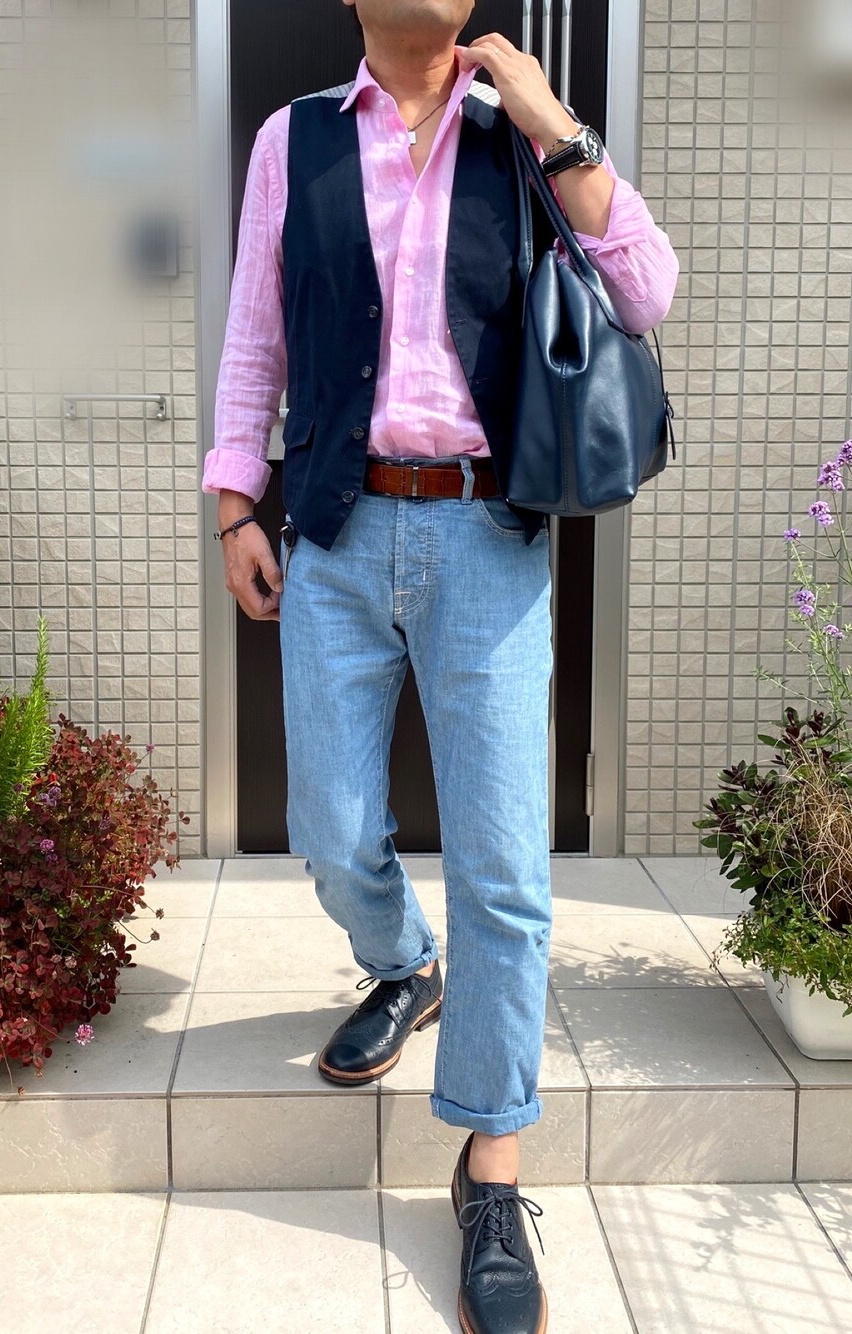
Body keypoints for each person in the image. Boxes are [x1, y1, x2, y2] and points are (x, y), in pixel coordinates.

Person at [203, 3, 679, 1330]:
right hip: (337, 525)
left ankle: (491, 1162)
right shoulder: (292, 140)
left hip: (487, 536)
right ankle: (407, 962)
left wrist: (552, 118)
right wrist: (237, 503)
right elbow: (256, 333)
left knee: (506, 870)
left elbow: (647, 291)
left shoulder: (519, 133)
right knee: (328, 823)